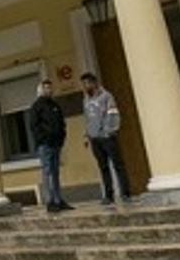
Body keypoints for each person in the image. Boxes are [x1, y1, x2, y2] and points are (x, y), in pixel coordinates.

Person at [81, 72, 131, 205]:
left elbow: (113, 114)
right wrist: (86, 135)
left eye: (87, 83)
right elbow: (87, 119)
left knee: (118, 165)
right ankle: (109, 195)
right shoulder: (86, 100)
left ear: (94, 83)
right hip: (94, 139)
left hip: (107, 137)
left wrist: (109, 131)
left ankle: (125, 193)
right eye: (83, 84)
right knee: (103, 167)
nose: (85, 87)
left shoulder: (106, 96)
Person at [29, 79, 73, 213]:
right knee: (47, 172)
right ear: (41, 90)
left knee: (55, 172)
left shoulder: (55, 105)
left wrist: (62, 137)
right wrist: (43, 139)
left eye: (50, 87)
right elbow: (34, 126)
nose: (49, 90)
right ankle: (50, 201)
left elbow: (61, 122)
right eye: (46, 88)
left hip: (56, 144)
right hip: (45, 145)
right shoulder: (36, 106)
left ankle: (58, 200)